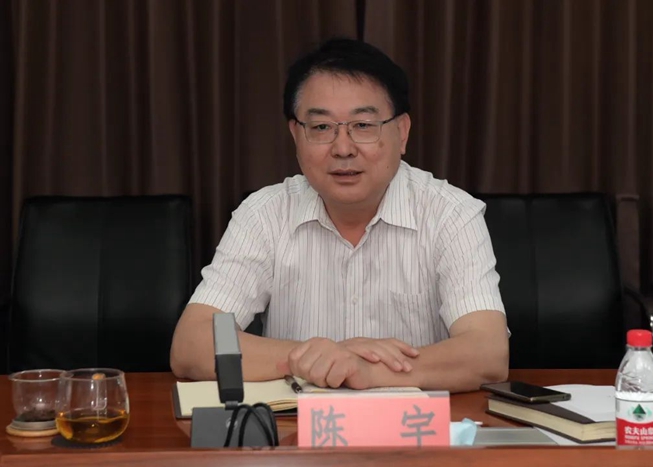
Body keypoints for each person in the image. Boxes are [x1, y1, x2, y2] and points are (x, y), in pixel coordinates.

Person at [170, 38, 509, 392]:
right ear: (296, 135)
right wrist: (314, 358)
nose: (343, 148)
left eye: (363, 125)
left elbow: (488, 352)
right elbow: (191, 344)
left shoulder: (451, 214)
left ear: (402, 132)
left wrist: (371, 371)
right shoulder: (264, 214)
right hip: (299, 426)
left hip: (415, 425)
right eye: (321, 128)